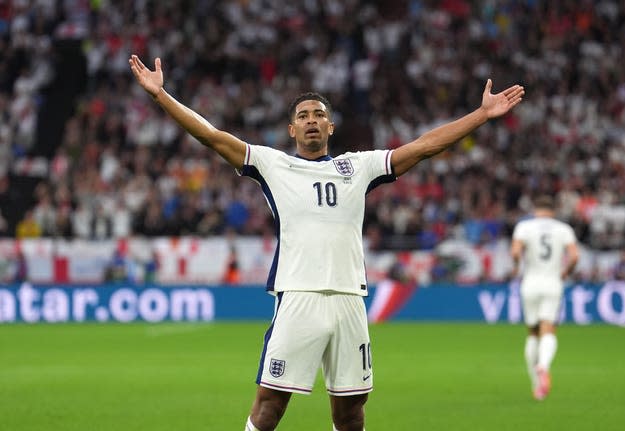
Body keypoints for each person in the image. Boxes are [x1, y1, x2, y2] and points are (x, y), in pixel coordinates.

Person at [129, 54, 524, 431]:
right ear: (292, 130)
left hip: (350, 298)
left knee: (351, 414)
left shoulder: (359, 166)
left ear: (331, 127)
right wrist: (161, 95)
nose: (312, 121)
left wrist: (482, 115)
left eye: (319, 115)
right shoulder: (273, 164)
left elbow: (424, 147)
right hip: (298, 295)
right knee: (270, 406)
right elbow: (211, 136)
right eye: (303, 116)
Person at [510, 195, 579, 401]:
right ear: (553, 211)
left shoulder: (524, 227)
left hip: (530, 283)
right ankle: (544, 366)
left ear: (535, 209)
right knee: (548, 328)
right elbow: (575, 256)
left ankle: (536, 384)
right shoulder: (563, 229)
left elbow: (515, 252)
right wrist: (567, 271)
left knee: (532, 333)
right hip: (553, 283)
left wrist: (516, 267)